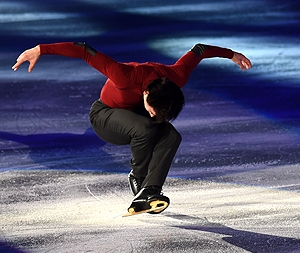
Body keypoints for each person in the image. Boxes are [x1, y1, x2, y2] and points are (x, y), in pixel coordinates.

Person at [12, 42, 252, 215]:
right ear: (146, 93)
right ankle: (137, 178)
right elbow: (84, 50)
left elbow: (199, 49)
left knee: (171, 136)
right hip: (105, 117)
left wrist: (231, 55)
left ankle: (151, 189)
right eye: (152, 108)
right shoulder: (124, 75)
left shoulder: (175, 76)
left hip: (136, 123)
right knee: (147, 126)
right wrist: (40, 49)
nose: (155, 114)